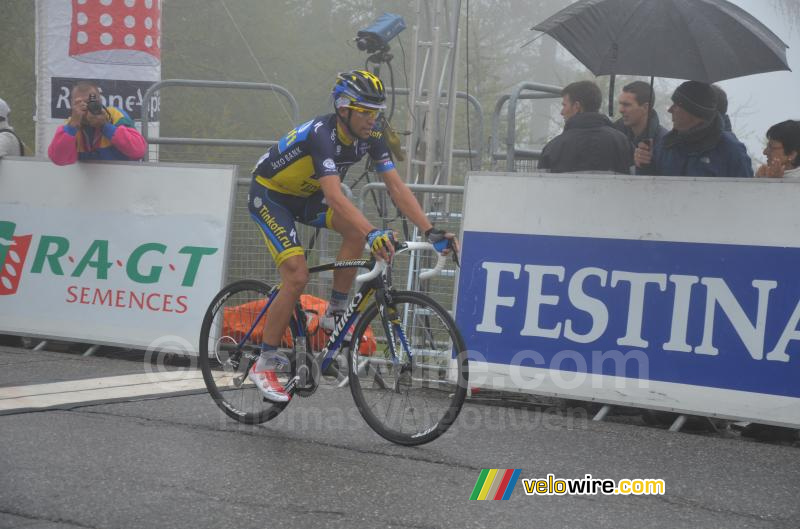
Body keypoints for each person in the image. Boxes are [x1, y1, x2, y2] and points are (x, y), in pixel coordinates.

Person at [246, 69, 458, 402]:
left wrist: (430, 231)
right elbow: (334, 197)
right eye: (365, 111)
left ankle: (334, 315)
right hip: (272, 196)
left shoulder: (372, 136)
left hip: (305, 197)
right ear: (343, 109)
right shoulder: (322, 135)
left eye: (376, 112)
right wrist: (373, 231)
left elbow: (396, 188)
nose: (372, 119)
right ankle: (265, 362)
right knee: (297, 275)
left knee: (354, 231)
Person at [634, 81, 753, 177]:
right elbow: (649, 193)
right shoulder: (666, 145)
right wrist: (644, 165)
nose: (669, 110)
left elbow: (747, 196)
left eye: (676, 105)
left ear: (693, 111)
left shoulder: (731, 150)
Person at [538, 80, 632, 174]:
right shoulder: (623, 143)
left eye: (564, 105)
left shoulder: (552, 149)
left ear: (576, 106)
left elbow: (540, 184)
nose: (561, 112)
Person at [47, 82, 146, 166]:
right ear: (72, 106)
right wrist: (73, 126)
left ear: (100, 102)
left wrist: (105, 126)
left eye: (90, 102)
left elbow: (139, 151)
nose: (85, 108)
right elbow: (58, 159)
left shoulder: (115, 116)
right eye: (79, 104)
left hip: (121, 180)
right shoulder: (71, 125)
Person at [614, 81, 667, 150]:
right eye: (620, 104)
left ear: (645, 108)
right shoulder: (615, 134)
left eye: (627, 105)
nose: (620, 110)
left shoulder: (664, 143)